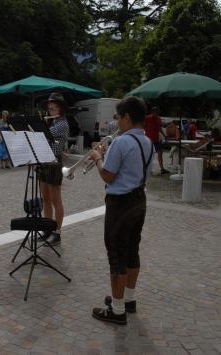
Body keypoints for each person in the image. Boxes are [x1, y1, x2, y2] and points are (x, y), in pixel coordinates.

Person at [87, 96, 154, 325]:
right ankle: (128, 299)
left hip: (120, 203)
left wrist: (97, 157)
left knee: (116, 256)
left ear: (127, 117)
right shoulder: (148, 142)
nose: (117, 123)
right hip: (139, 200)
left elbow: (108, 175)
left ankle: (116, 311)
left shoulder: (121, 142)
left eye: (118, 118)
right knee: (132, 251)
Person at [38, 92, 69, 246]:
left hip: (54, 164)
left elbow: (44, 135)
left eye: (55, 108)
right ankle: (47, 228)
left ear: (61, 109)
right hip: (44, 162)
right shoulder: (51, 122)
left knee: (56, 200)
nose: (52, 111)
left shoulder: (62, 124)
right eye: (50, 109)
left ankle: (57, 232)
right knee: (45, 199)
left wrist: (40, 124)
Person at [144, 106, 169, 174]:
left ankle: (162, 169)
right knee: (150, 155)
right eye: (155, 111)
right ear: (152, 112)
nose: (157, 113)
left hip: (156, 139)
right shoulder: (147, 118)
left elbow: (159, 128)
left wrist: (164, 135)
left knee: (160, 153)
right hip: (149, 140)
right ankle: (149, 170)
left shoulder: (159, 119)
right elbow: (143, 126)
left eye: (158, 111)